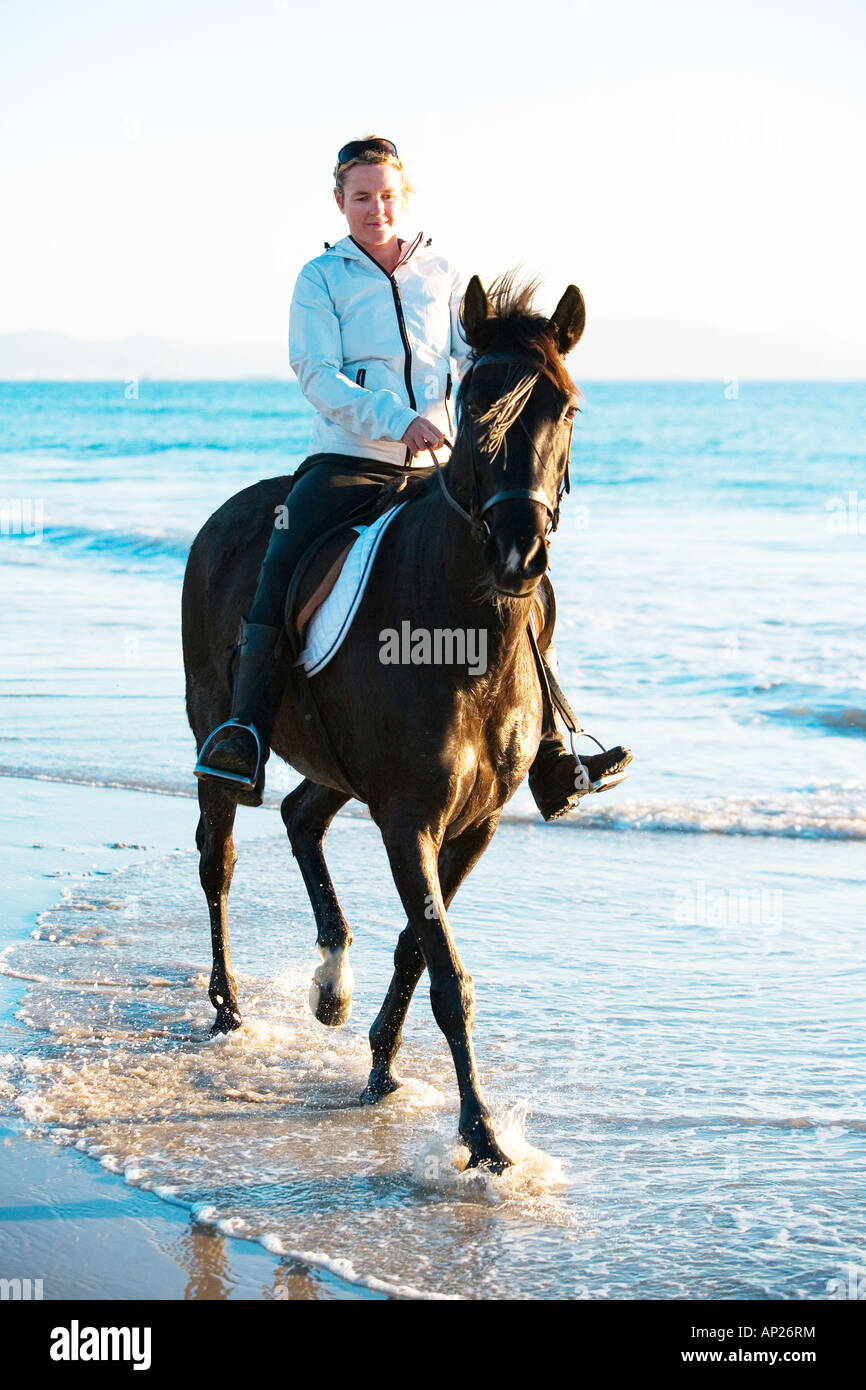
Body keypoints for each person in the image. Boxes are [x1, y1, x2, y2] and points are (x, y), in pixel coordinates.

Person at [195, 136, 631, 818]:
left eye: (387, 196)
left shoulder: (443, 273)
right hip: (347, 463)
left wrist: (521, 366)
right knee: (279, 567)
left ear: (406, 200)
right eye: (362, 197)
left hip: (434, 470)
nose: (376, 209)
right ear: (340, 202)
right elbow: (317, 373)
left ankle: (551, 751)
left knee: (526, 583)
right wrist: (395, 419)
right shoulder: (322, 279)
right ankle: (244, 732)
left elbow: (473, 354)